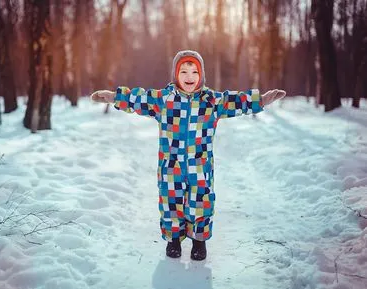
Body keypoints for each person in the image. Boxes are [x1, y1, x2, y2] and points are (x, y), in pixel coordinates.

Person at [91, 50, 286, 261]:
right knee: (170, 201)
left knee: (200, 202)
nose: (189, 76)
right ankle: (173, 240)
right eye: (183, 71)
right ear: (176, 74)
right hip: (170, 165)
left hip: (200, 165)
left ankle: (199, 241)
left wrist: (262, 100)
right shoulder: (163, 100)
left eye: (194, 71)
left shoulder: (211, 101)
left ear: (201, 75)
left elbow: (236, 101)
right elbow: (137, 99)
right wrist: (113, 97)